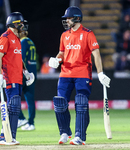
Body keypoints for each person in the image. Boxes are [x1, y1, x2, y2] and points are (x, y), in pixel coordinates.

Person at [48, 6, 111, 145]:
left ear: (77, 18)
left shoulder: (88, 34)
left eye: (69, 18)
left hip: (82, 73)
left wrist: (100, 73)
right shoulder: (64, 35)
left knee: (81, 103)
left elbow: (96, 54)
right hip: (65, 73)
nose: (67, 21)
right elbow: (62, 53)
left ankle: (79, 136)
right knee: (60, 103)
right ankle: (64, 132)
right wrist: (57, 59)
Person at [0, 12, 35, 145]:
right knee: (14, 106)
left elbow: (19, 59)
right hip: (9, 77)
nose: (23, 26)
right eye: (20, 23)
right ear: (14, 24)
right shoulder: (5, 37)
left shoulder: (17, 39)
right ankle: (6, 137)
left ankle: (6, 136)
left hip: (18, 78)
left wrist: (26, 72)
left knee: (14, 107)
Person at [17, 25, 37, 130]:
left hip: (25, 74)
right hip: (33, 73)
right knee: (30, 99)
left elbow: (21, 58)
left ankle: (21, 118)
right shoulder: (31, 42)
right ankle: (31, 123)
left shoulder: (23, 42)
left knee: (14, 96)